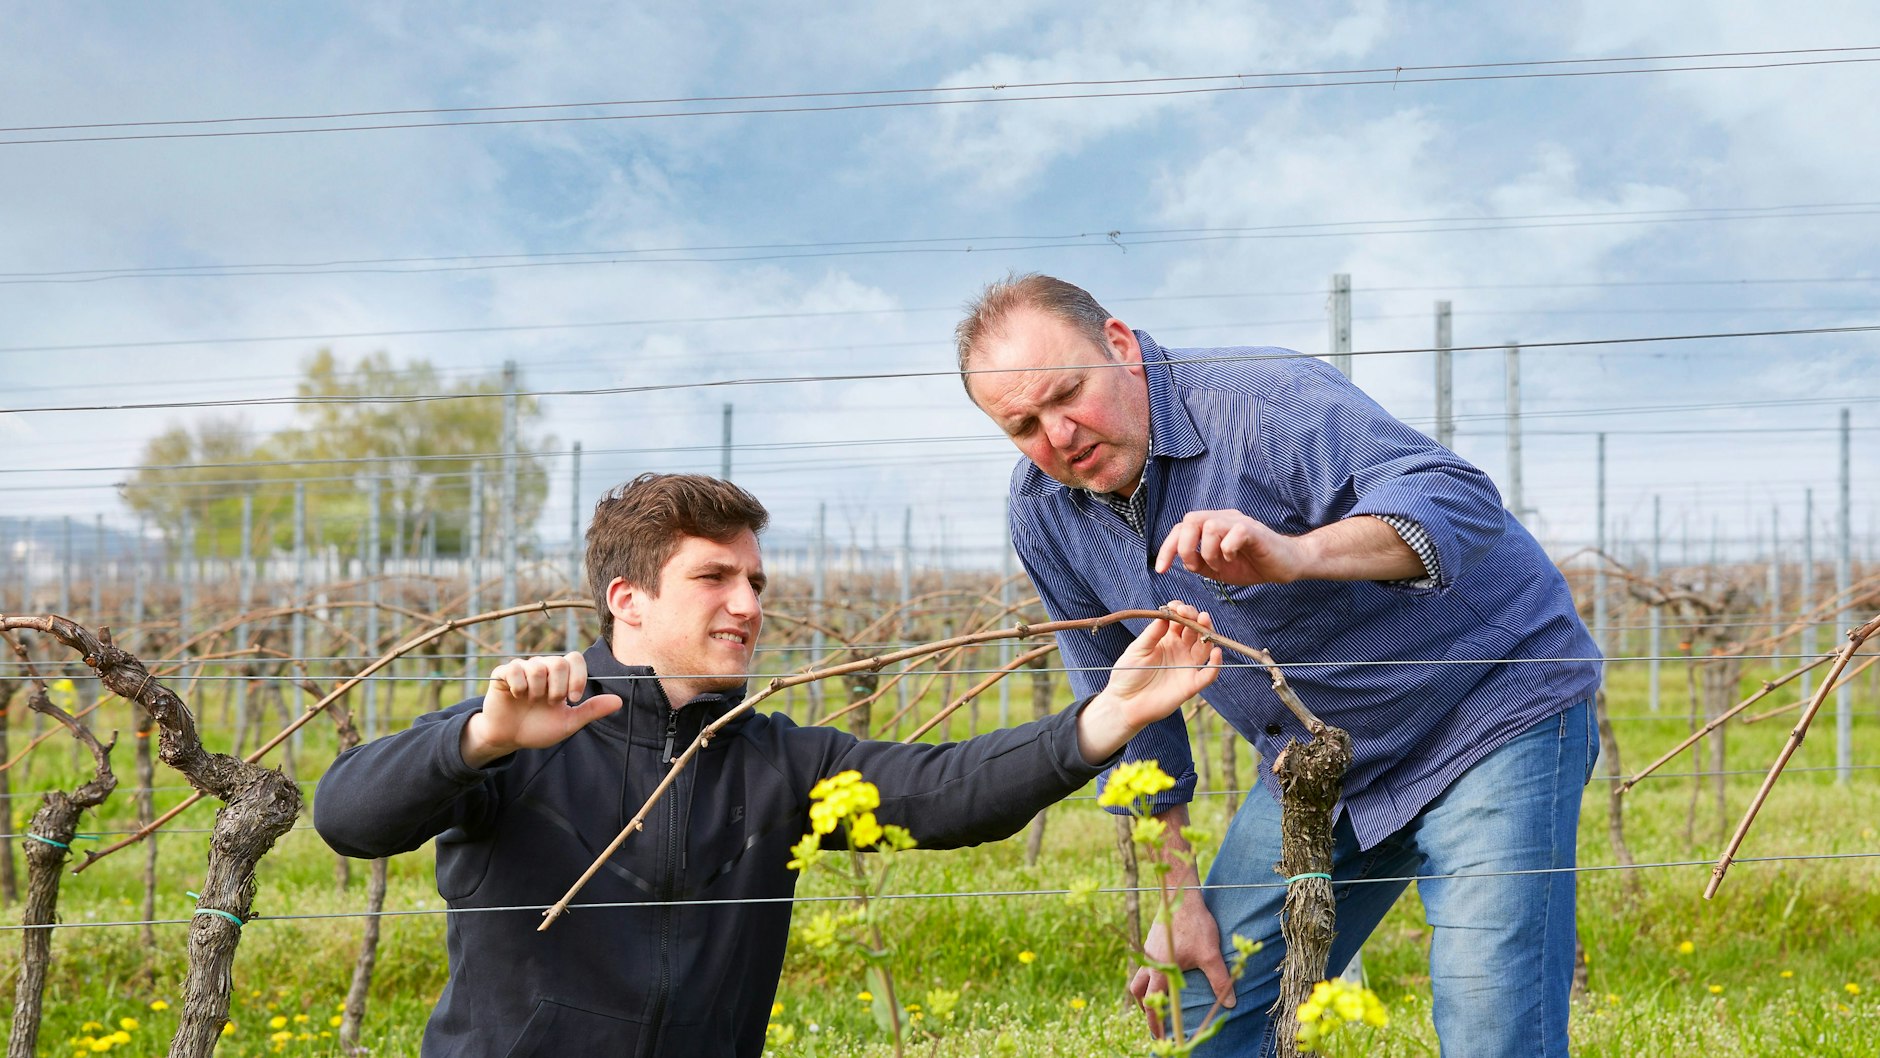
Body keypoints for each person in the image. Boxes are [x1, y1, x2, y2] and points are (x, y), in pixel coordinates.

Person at [314, 472, 1222, 1058]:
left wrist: (1109, 715)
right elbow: (347, 818)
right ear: (627, 601)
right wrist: (481, 738)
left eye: (756, 583)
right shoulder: (519, 731)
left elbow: (948, 796)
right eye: (715, 578)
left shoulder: (775, 759)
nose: (748, 603)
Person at [956, 274, 1602, 1057]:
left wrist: (1298, 554)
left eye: (1067, 395)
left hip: (1487, 709)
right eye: (1023, 424)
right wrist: (1176, 891)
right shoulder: (1044, 513)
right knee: (1212, 1000)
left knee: (1490, 1020)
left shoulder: (1262, 401)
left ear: (1119, 345)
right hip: (1318, 757)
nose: (1057, 435)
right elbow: (1123, 707)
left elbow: (1454, 495)